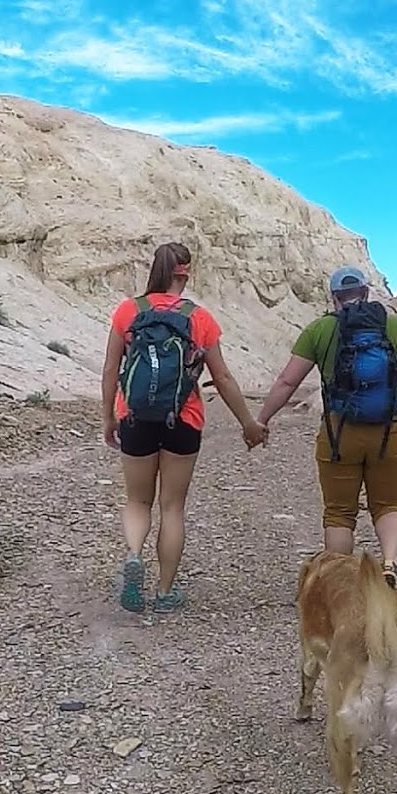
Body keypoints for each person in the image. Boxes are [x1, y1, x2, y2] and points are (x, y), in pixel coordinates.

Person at [101, 241, 267, 614]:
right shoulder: (199, 318)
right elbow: (221, 377)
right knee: (172, 507)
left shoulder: (128, 311)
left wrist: (109, 417)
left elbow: (111, 369)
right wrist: (248, 423)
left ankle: (132, 556)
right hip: (184, 420)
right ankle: (164, 592)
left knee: (138, 499)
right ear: (185, 272)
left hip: (136, 417)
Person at [254, 266, 397, 595]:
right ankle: (390, 564)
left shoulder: (320, 329)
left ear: (334, 297)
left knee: (339, 511)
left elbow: (287, 382)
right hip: (390, 431)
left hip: (339, 434)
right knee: (390, 503)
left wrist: (262, 420)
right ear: (366, 293)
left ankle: (341, 584)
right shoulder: (396, 327)